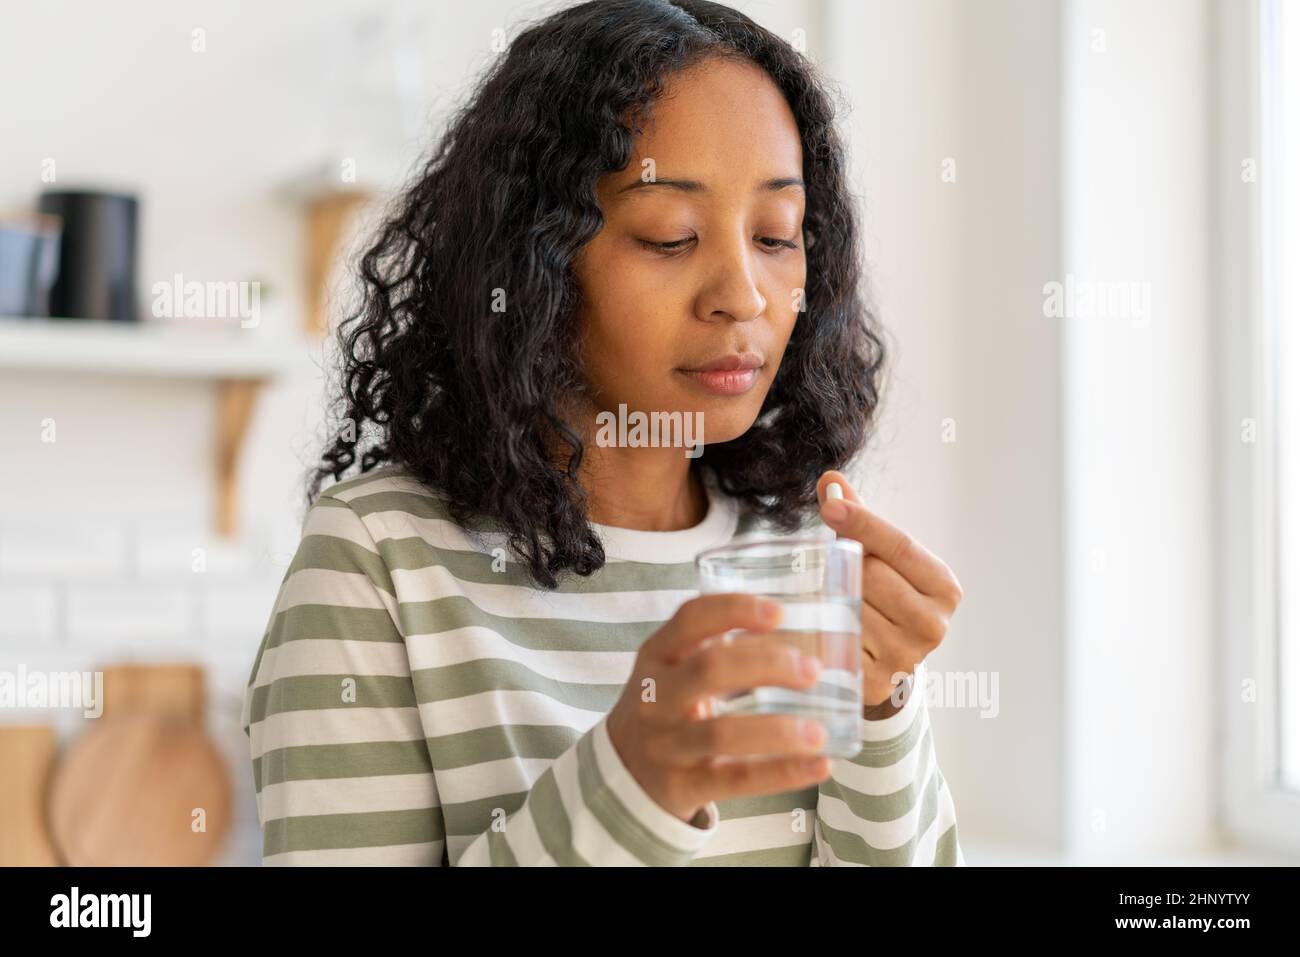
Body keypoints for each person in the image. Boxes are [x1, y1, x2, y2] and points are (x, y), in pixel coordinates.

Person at [241, 0, 965, 866]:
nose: (744, 294)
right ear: (534, 260)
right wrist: (629, 785)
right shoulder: (381, 561)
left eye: (777, 234)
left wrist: (882, 704)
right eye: (670, 236)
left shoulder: (800, 550)